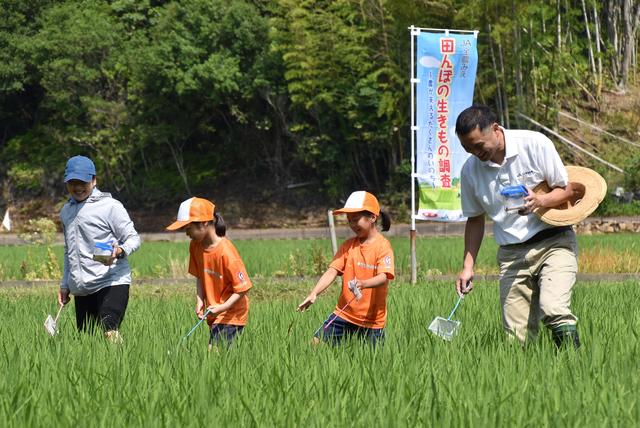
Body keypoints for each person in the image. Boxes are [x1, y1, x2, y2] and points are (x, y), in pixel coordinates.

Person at [454, 105, 581, 348]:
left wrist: (540, 200)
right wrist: (468, 267)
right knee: (516, 338)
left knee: (554, 308)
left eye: (478, 145)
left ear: (495, 128)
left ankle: (573, 367)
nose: (474, 152)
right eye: (467, 148)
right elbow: (475, 218)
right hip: (512, 254)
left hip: (553, 241)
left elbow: (567, 190)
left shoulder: (534, 144)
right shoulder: (470, 170)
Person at [58, 155, 141, 343]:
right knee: (87, 340)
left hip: (111, 280)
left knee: (109, 328)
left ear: (94, 181)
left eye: (83, 182)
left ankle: (125, 362)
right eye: (73, 183)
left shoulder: (110, 206)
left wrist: (120, 250)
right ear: (67, 184)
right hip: (82, 287)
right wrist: (65, 285)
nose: (78, 187)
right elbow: (68, 251)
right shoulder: (66, 211)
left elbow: (133, 238)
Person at [297, 191, 394, 346]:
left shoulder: (383, 247)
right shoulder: (348, 246)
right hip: (344, 313)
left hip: (372, 321)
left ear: (372, 217)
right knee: (314, 345)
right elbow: (332, 271)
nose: (353, 225)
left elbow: (384, 276)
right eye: (350, 221)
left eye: (356, 220)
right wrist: (314, 293)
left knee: (374, 363)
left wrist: (363, 283)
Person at [166, 197, 251, 349]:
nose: (186, 234)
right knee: (218, 359)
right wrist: (200, 300)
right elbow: (200, 276)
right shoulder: (195, 246)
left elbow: (243, 288)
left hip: (232, 312)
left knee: (213, 354)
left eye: (188, 228)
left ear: (204, 223)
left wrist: (222, 307)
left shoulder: (226, 251)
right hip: (214, 311)